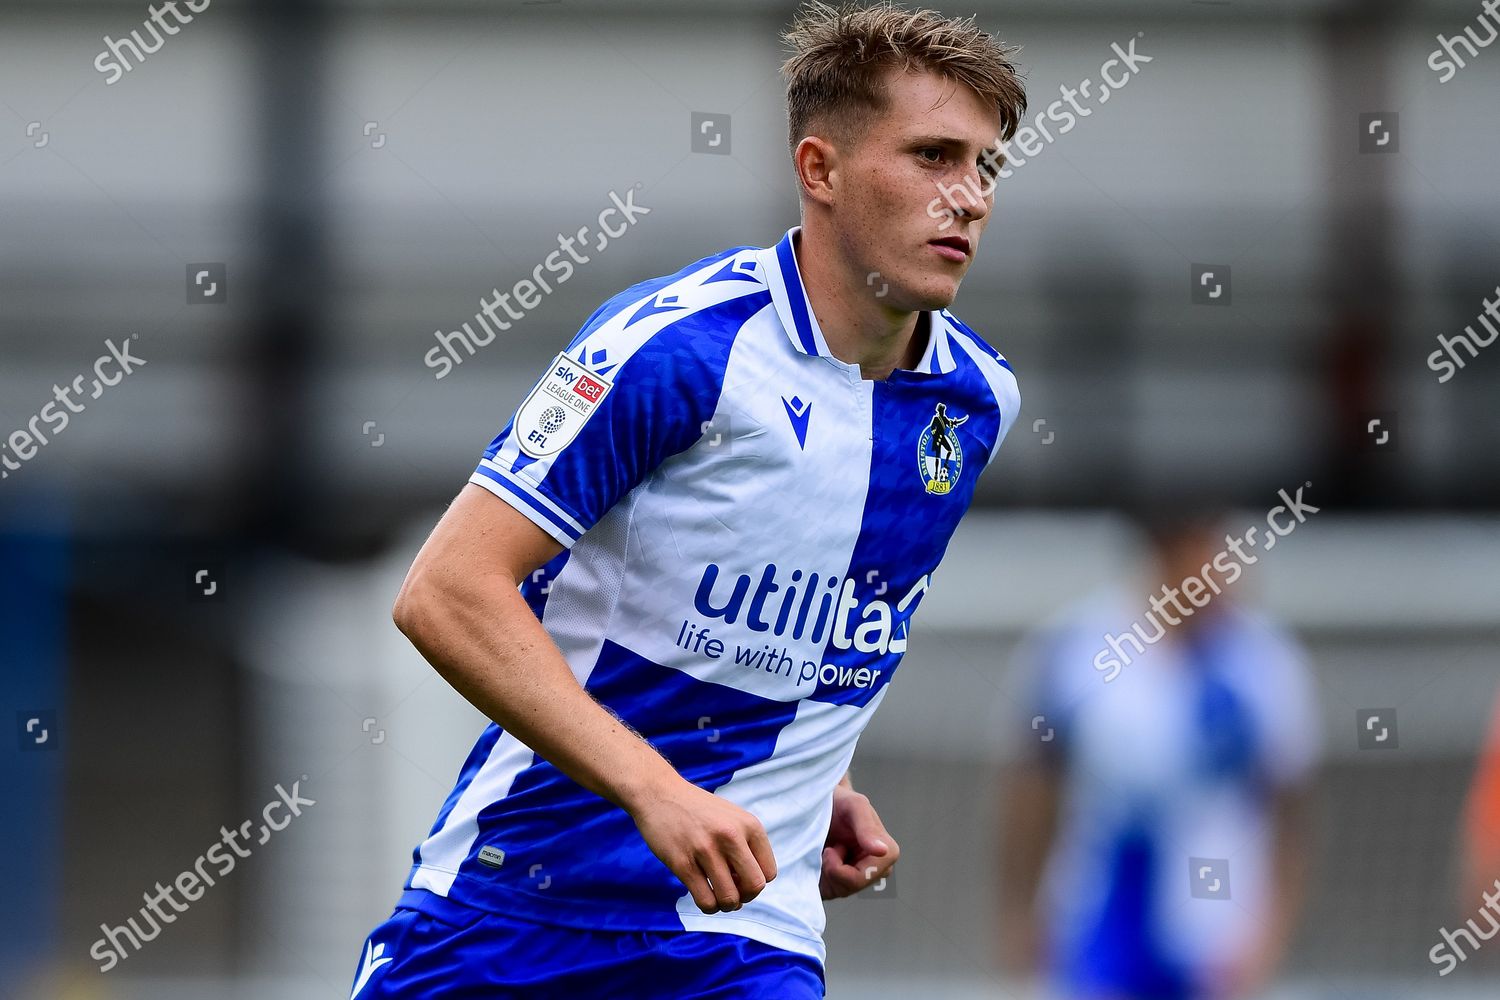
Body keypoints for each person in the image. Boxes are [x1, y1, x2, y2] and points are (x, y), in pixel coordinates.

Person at [350, 3, 1027, 996]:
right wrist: (656, 791)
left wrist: (816, 777)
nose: (967, 197)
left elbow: (817, 613)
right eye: (933, 156)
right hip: (511, 916)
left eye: (986, 167)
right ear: (820, 170)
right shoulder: (677, 353)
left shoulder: (976, 404)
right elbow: (446, 590)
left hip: (742, 937)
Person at [1000, 513, 1319, 1000]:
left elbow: (1290, 810)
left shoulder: (1267, 663)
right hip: (1094, 918)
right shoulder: (1078, 650)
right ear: (1163, 560)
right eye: (1204, 558)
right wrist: (1018, 911)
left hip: (1215, 927)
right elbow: (1034, 790)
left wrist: (1271, 932)